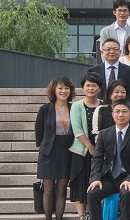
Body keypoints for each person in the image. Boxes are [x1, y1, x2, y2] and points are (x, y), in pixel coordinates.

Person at [87, 99, 130, 220]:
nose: (121, 115)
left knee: (127, 193)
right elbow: (97, 158)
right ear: (112, 114)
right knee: (92, 193)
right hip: (108, 177)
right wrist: (95, 178)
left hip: (127, 176)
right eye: (117, 111)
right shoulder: (104, 134)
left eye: (124, 111)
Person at [36, 77, 76, 220]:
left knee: (61, 188)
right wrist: (43, 147)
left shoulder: (74, 108)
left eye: (66, 88)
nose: (63, 91)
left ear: (70, 90)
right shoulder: (45, 109)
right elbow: (39, 131)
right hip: (49, 151)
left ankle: (59, 218)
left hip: (67, 150)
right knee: (48, 189)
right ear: (54, 90)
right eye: (60, 88)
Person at [70, 74, 103, 220]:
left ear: (99, 88)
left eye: (94, 85)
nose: (91, 88)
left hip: (101, 151)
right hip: (81, 150)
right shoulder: (77, 105)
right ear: (83, 88)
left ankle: (94, 213)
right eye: (88, 85)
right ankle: (81, 215)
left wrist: (99, 149)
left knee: (97, 182)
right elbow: (77, 130)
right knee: (80, 182)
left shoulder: (104, 105)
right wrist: (90, 146)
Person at [89, 38, 130, 106]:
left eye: (115, 49)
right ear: (102, 52)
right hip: (100, 108)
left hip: (122, 110)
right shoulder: (93, 71)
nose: (112, 52)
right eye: (108, 49)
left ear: (120, 52)